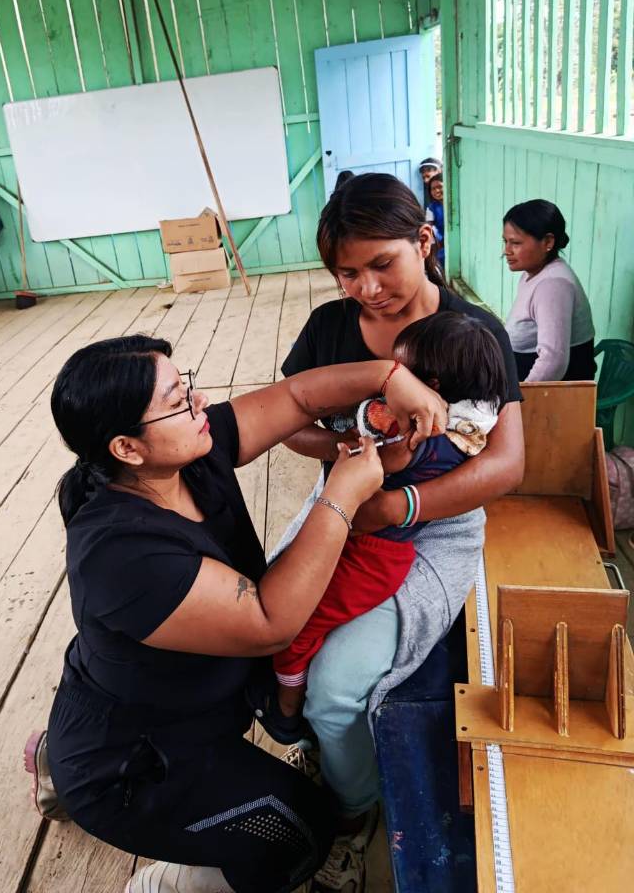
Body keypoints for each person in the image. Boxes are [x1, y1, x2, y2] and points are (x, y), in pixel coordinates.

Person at [34, 332, 446, 893]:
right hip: (133, 763)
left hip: (159, 704)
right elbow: (270, 621)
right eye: (177, 402)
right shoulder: (120, 553)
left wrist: (390, 379)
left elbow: (300, 398)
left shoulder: (180, 461)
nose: (200, 404)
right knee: (302, 834)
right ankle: (159, 882)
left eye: (187, 386)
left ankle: (54, 760)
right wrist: (342, 497)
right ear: (126, 448)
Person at [278, 172, 524, 893]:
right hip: (348, 502)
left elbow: (507, 464)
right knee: (267, 613)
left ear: (424, 240)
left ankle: (352, 820)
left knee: (332, 688)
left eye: (380, 264)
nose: (365, 287)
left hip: (431, 526)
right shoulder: (331, 327)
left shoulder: (474, 331)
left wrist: (403, 504)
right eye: (346, 272)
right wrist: (355, 458)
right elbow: (291, 420)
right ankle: (332, 751)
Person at [270, 312, 506, 733]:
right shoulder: (465, 423)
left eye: (402, 374)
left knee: (294, 625)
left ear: (430, 386)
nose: (391, 382)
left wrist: (376, 400)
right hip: (369, 543)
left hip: (370, 552)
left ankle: (286, 713)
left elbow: (373, 441)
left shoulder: (412, 436)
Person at [503, 199, 595, 382]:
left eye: (515, 243)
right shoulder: (534, 274)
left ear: (548, 242)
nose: (507, 250)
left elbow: (553, 361)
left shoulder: (553, 286)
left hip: (553, 399)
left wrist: (521, 402)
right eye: (505, 241)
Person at [425, 171, 445, 268]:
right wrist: (438, 241)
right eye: (433, 189)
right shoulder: (431, 208)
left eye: (440, 187)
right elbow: (430, 226)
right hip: (440, 243)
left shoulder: (455, 203)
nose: (436, 191)